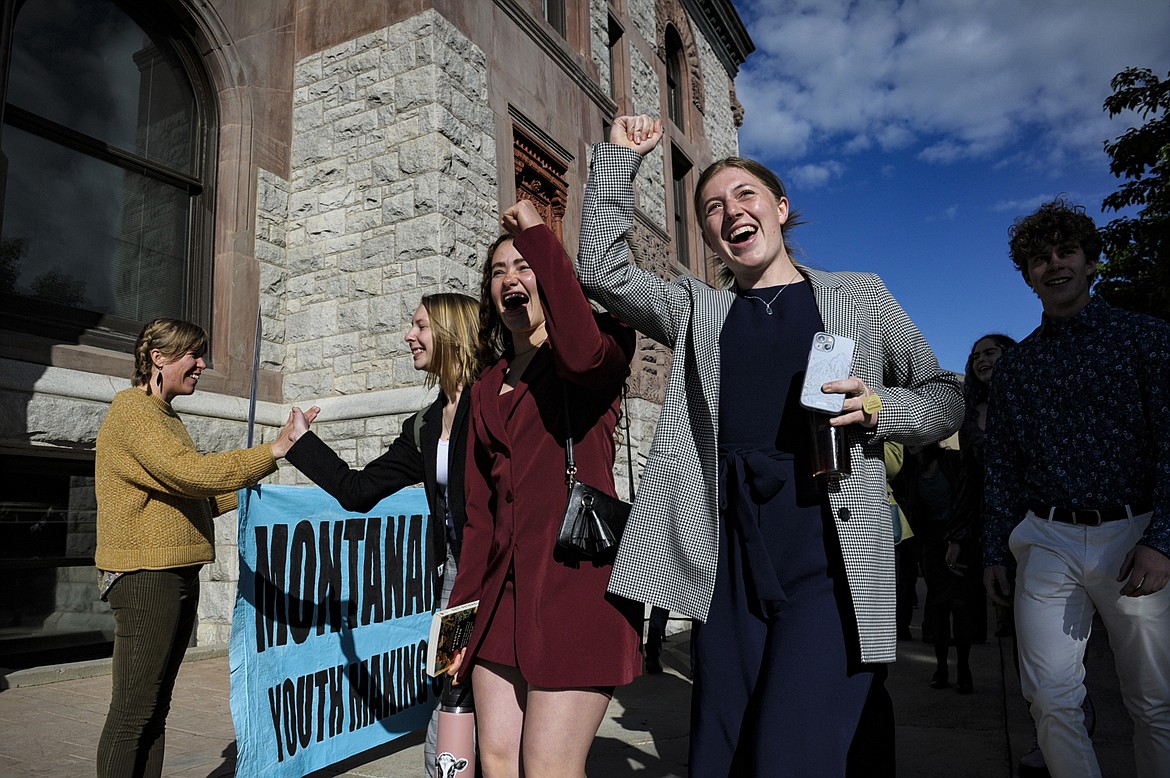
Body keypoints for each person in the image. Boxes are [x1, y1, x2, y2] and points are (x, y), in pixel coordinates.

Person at [577, 115, 964, 776]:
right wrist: (619, 160)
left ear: (780, 209)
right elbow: (600, 268)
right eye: (712, 209)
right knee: (723, 749)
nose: (731, 211)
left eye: (745, 196)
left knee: (793, 751)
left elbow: (946, 392)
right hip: (727, 552)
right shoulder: (700, 309)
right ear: (708, 236)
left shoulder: (857, 296)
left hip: (825, 547)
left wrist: (877, 407)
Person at [446, 200, 641, 778]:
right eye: (499, 270)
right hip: (499, 602)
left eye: (525, 266)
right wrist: (457, 622)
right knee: (499, 760)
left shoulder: (599, 348)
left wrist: (537, 235)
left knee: (549, 768)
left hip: (574, 589)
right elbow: (478, 520)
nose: (511, 278)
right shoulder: (483, 387)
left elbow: (580, 351)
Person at [983, 197, 1170, 778]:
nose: (1054, 265)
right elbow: (1003, 465)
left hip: (1135, 536)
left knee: (1155, 701)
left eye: (1066, 252)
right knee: (1049, 697)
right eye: (1040, 258)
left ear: (1091, 261)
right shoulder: (1018, 365)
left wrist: (1163, 539)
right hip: (1047, 539)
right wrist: (994, 547)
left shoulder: (1147, 339)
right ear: (1028, 273)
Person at [94, 318, 306, 778]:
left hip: (174, 574)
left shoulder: (165, 417)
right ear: (158, 359)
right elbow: (191, 474)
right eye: (193, 355)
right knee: (134, 712)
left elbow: (199, 497)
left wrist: (263, 471)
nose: (202, 364)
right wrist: (273, 449)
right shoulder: (133, 412)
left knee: (154, 708)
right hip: (147, 578)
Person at [284, 292, 482, 777]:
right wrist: (300, 444)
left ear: (452, 333)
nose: (408, 336)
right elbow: (357, 490)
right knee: (452, 688)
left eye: (419, 326)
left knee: (496, 693)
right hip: (455, 581)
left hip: (500, 572)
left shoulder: (497, 401)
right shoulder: (425, 425)